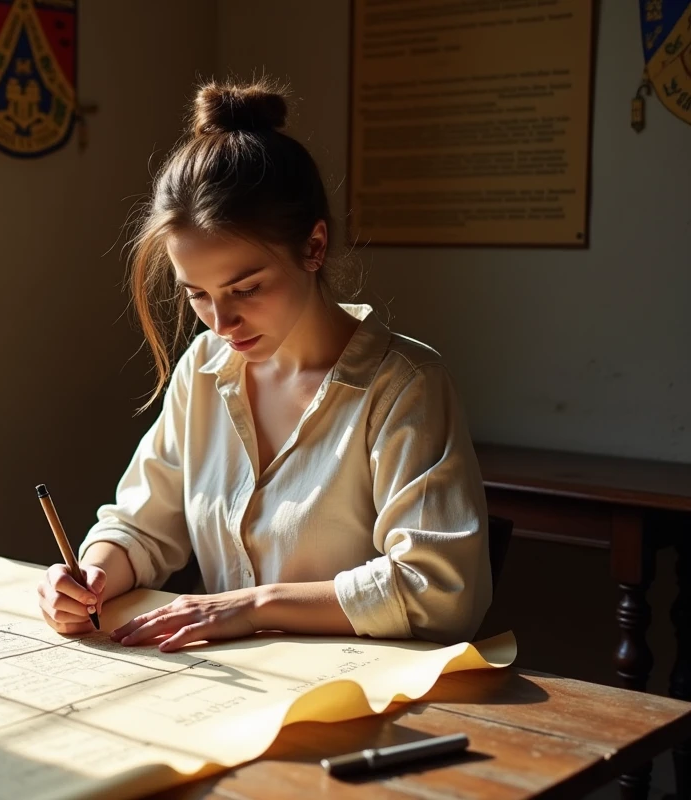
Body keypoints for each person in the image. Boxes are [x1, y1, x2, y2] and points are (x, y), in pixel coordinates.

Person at [36, 78, 492, 652]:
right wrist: (92, 575)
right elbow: (141, 526)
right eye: (197, 294)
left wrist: (253, 607)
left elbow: (440, 591)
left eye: (246, 288)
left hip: (362, 697)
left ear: (315, 247)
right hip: (228, 693)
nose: (220, 324)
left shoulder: (404, 387)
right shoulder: (203, 368)